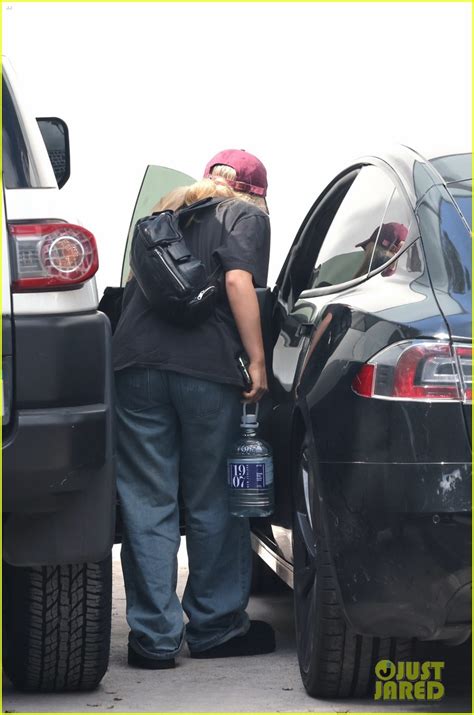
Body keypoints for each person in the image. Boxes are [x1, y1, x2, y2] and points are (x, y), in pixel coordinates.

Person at [112, 149, 274, 669]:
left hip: (135, 367)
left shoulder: (163, 216)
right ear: (253, 191)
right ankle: (215, 627)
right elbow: (236, 282)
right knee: (213, 501)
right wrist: (257, 359)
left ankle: (153, 640)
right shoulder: (243, 215)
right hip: (206, 371)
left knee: (146, 501)